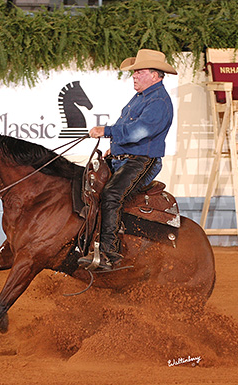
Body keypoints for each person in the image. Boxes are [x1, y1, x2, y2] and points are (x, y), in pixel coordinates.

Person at [78, 48, 176, 270]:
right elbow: (129, 128)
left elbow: (140, 131)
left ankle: (108, 253)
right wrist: (115, 149)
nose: (134, 75)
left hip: (142, 160)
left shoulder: (159, 101)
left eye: (139, 71)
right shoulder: (143, 97)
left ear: (155, 74)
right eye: (135, 72)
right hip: (126, 158)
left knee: (112, 194)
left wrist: (107, 131)